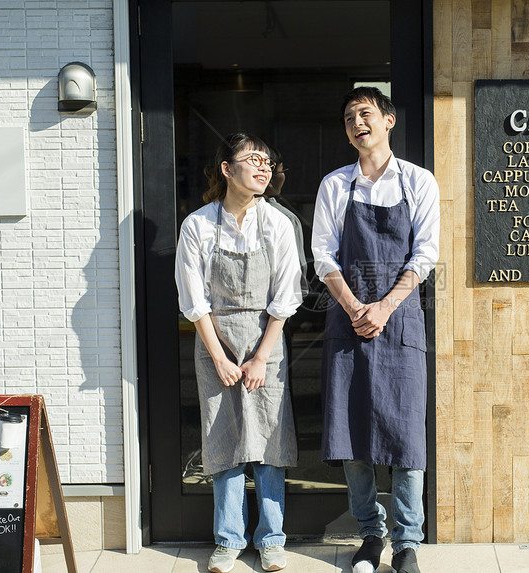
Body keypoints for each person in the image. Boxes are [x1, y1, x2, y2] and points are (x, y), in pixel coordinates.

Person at [311, 87, 440, 573]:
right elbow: (323, 254)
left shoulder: (417, 181)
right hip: (347, 315)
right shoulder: (335, 185)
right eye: (349, 118)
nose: (357, 123)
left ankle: (408, 541)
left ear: (388, 120)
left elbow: (425, 254)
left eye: (365, 114)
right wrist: (353, 306)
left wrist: (384, 307)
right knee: (351, 429)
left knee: (405, 435)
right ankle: (371, 535)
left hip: (400, 315)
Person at [175, 134, 302, 573]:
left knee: (270, 439)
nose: (263, 168)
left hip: (267, 338)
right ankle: (228, 540)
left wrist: (262, 355)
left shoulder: (278, 224)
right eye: (253, 160)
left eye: (268, 161)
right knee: (222, 437)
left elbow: (286, 296)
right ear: (227, 169)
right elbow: (194, 301)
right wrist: (220, 357)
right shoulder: (198, 225)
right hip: (215, 339)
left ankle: (271, 539)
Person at [263, 147, 309, 299]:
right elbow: (297, 275)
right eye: (281, 171)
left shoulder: (215, 214)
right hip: (276, 308)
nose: (283, 176)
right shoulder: (285, 218)